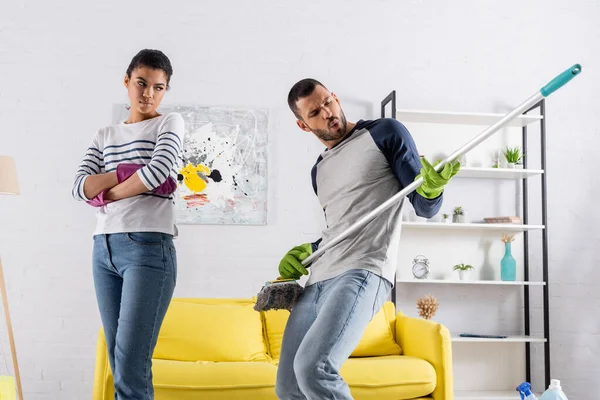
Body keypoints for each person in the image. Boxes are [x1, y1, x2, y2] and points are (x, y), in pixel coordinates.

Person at [275, 78, 460, 400]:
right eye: (315, 112)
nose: (327, 113)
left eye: (328, 102)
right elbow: (341, 227)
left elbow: (422, 204)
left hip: (362, 270)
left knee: (314, 368)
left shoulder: (384, 132)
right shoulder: (318, 170)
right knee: (289, 386)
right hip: (318, 279)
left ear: (334, 96)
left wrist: (431, 189)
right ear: (303, 125)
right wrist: (310, 250)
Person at [71, 49, 184, 399]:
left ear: (165, 91)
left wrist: (107, 194)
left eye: (158, 87)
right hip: (102, 249)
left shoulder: (169, 123)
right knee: (118, 363)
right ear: (127, 81)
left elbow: (160, 170)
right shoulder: (105, 133)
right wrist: (127, 176)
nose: (148, 93)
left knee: (132, 366)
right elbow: (78, 186)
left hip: (148, 249)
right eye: (141, 83)